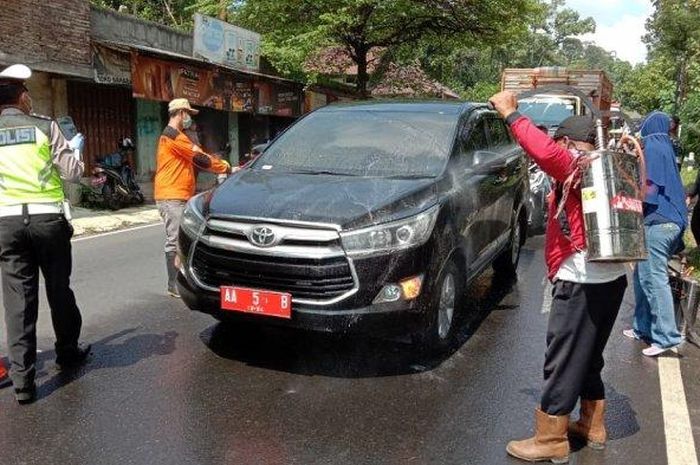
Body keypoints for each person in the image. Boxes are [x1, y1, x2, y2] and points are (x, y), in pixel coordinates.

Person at [489, 91, 628, 463]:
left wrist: (512, 114)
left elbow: (546, 153)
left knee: (562, 359)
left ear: (567, 141)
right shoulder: (611, 166)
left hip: (581, 279)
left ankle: (550, 439)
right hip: (612, 279)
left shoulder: (577, 163)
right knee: (588, 356)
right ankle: (591, 424)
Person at [0, 64, 90, 404]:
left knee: (18, 300)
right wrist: (75, 149)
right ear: (23, 97)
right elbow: (72, 172)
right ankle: (67, 351)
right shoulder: (45, 126)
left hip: (6, 223)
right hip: (47, 222)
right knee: (58, 289)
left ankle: (23, 381)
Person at [155, 98, 233, 298]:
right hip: (171, 195)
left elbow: (198, 154)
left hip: (178, 193)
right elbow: (199, 159)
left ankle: (182, 279)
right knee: (175, 240)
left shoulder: (179, 136)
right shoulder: (173, 136)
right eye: (188, 113)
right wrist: (225, 166)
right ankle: (173, 284)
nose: (189, 118)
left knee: (183, 238)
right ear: (180, 113)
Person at [624, 111, 686, 356]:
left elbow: (648, 190)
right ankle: (643, 327)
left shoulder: (653, 150)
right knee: (642, 276)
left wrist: (626, 197)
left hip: (660, 223)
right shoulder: (664, 149)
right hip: (662, 221)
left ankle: (666, 336)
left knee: (653, 278)